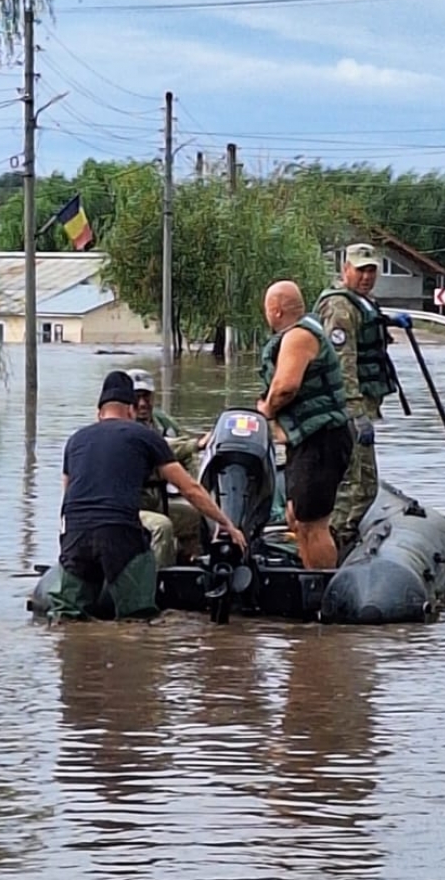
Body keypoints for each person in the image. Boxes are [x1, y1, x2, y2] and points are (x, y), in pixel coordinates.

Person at [49, 370, 246, 621]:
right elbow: (190, 489)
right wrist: (226, 523)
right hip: (120, 532)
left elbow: (68, 495)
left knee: (66, 618)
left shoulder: (75, 441)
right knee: (138, 620)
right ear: (131, 410)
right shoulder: (145, 436)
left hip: (75, 534)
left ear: (99, 413)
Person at [314, 243, 408, 557]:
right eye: (360, 270)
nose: (367, 276)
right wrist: (356, 414)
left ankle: (343, 542)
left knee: (365, 484)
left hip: (363, 406)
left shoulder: (361, 303)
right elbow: (343, 366)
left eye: (371, 270)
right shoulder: (340, 308)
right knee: (356, 486)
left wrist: (390, 321)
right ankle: (334, 546)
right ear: (346, 270)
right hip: (348, 409)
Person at [256, 281, 352, 570]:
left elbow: (286, 387)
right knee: (295, 517)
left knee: (313, 524)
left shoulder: (298, 337)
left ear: (275, 310)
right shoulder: (299, 332)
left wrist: (267, 411)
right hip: (308, 442)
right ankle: (310, 578)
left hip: (323, 440)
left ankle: (323, 589)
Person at [125, 369, 209, 568]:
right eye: (137, 397)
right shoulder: (122, 426)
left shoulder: (162, 423)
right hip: (128, 507)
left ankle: (191, 567)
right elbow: (160, 447)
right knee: (163, 527)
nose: (143, 403)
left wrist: (200, 490)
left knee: (197, 518)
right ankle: (155, 585)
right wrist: (195, 444)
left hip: (157, 500)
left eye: (146, 396)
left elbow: (184, 454)